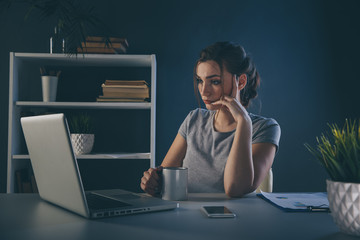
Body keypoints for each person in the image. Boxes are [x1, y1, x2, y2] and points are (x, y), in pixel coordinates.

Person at [141, 41, 281, 198]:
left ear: (240, 82)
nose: (204, 91)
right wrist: (153, 182)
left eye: (214, 81)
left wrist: (244, 122)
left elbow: (235, 188)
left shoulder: (266, 128)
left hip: (237, 220)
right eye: (200, 81)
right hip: (186, 218)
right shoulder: (193, 119)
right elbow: (165, 180)